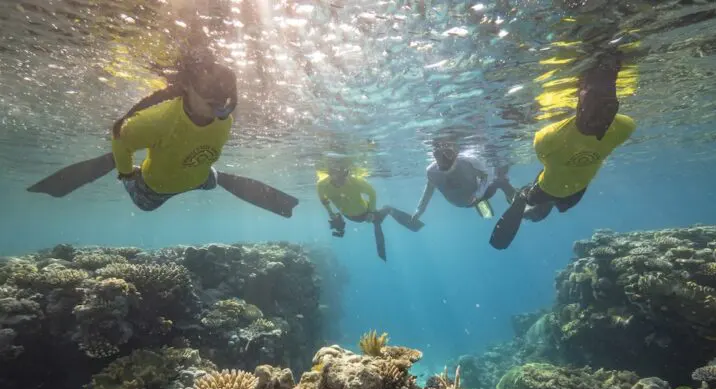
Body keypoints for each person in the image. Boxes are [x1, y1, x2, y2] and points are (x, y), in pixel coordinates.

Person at [29, 50, 298, 217]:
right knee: (145, 206)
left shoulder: (225, 118)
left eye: (224, 95)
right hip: (151, 190)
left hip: (199, 177)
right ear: (187, 87)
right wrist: (126, 173)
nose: (218, 101)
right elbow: (119, 137)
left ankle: (214, 176)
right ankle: (119, 166)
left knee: (209, 175)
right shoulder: (157, 121)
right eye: (209, 92)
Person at [489, 52, 635, 250]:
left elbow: (549, 160)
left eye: (608, 108)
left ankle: (531, 201)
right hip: (566, 190)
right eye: (596, 107)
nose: (600, 117)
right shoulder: (624, 127)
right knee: (542, 201)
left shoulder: (550, 138)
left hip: (565, 189)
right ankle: (529, 198)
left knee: (542, 201)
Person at [318, 165, 423, 261]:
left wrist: (371, 212)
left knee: (380, 216)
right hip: (348, 215)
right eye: (340, 177)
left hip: (366, 212)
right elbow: (324, 201)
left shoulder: (355, 181)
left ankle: (392, 214)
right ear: (331, 176)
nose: (345, 180)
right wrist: (331, 214)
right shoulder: (322, 185)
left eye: (345, 175)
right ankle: (380, 217)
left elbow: (372, 193)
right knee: (375, 220)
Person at [412, 142, 517, 222]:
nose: (447, 172)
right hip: (464, 202)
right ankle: (480, 202)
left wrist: (478, 195)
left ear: (456, 156)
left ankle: (516, 199)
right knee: (498, 181)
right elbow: (428, 192)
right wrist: (419, 211)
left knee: (500, 180)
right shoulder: (432, 171)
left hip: (477, 196)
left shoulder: (468, 162)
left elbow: (486, 176)